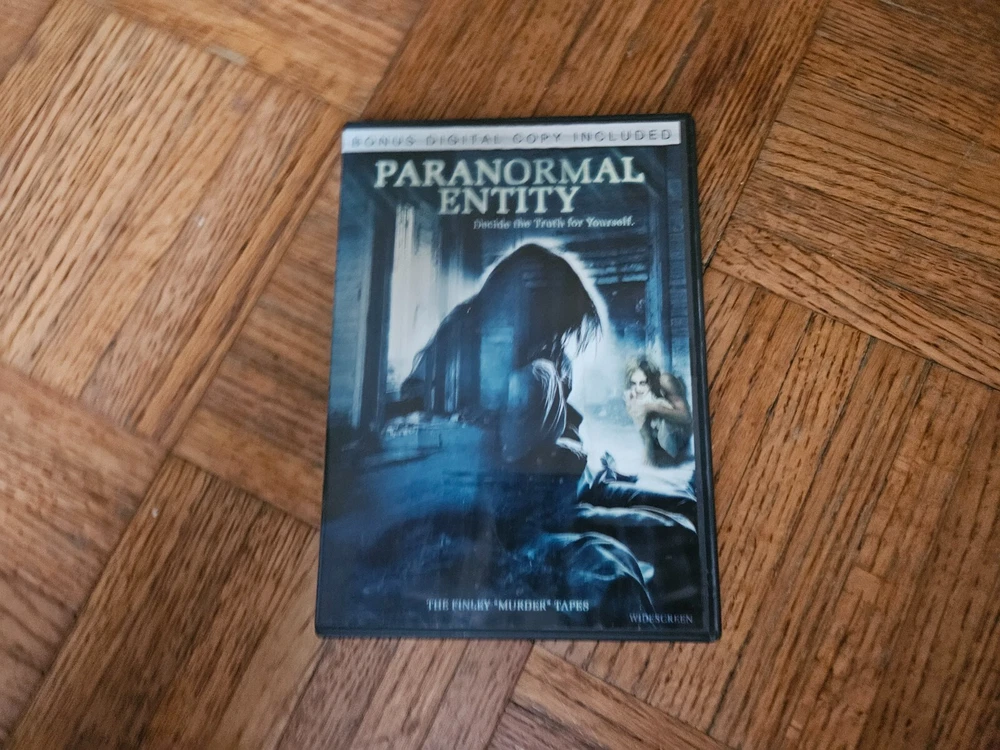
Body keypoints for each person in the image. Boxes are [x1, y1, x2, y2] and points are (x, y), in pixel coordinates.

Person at [624, 356, 693, 466]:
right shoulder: (634, 394)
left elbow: (687, 418)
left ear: (651, 381)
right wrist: (648, 444)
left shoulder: (665, 381)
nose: (637, 389)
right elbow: (643, 426)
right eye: (634, 383)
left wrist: (652, 407)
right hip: (658, 438)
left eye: (642, 383)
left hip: (681, 436)